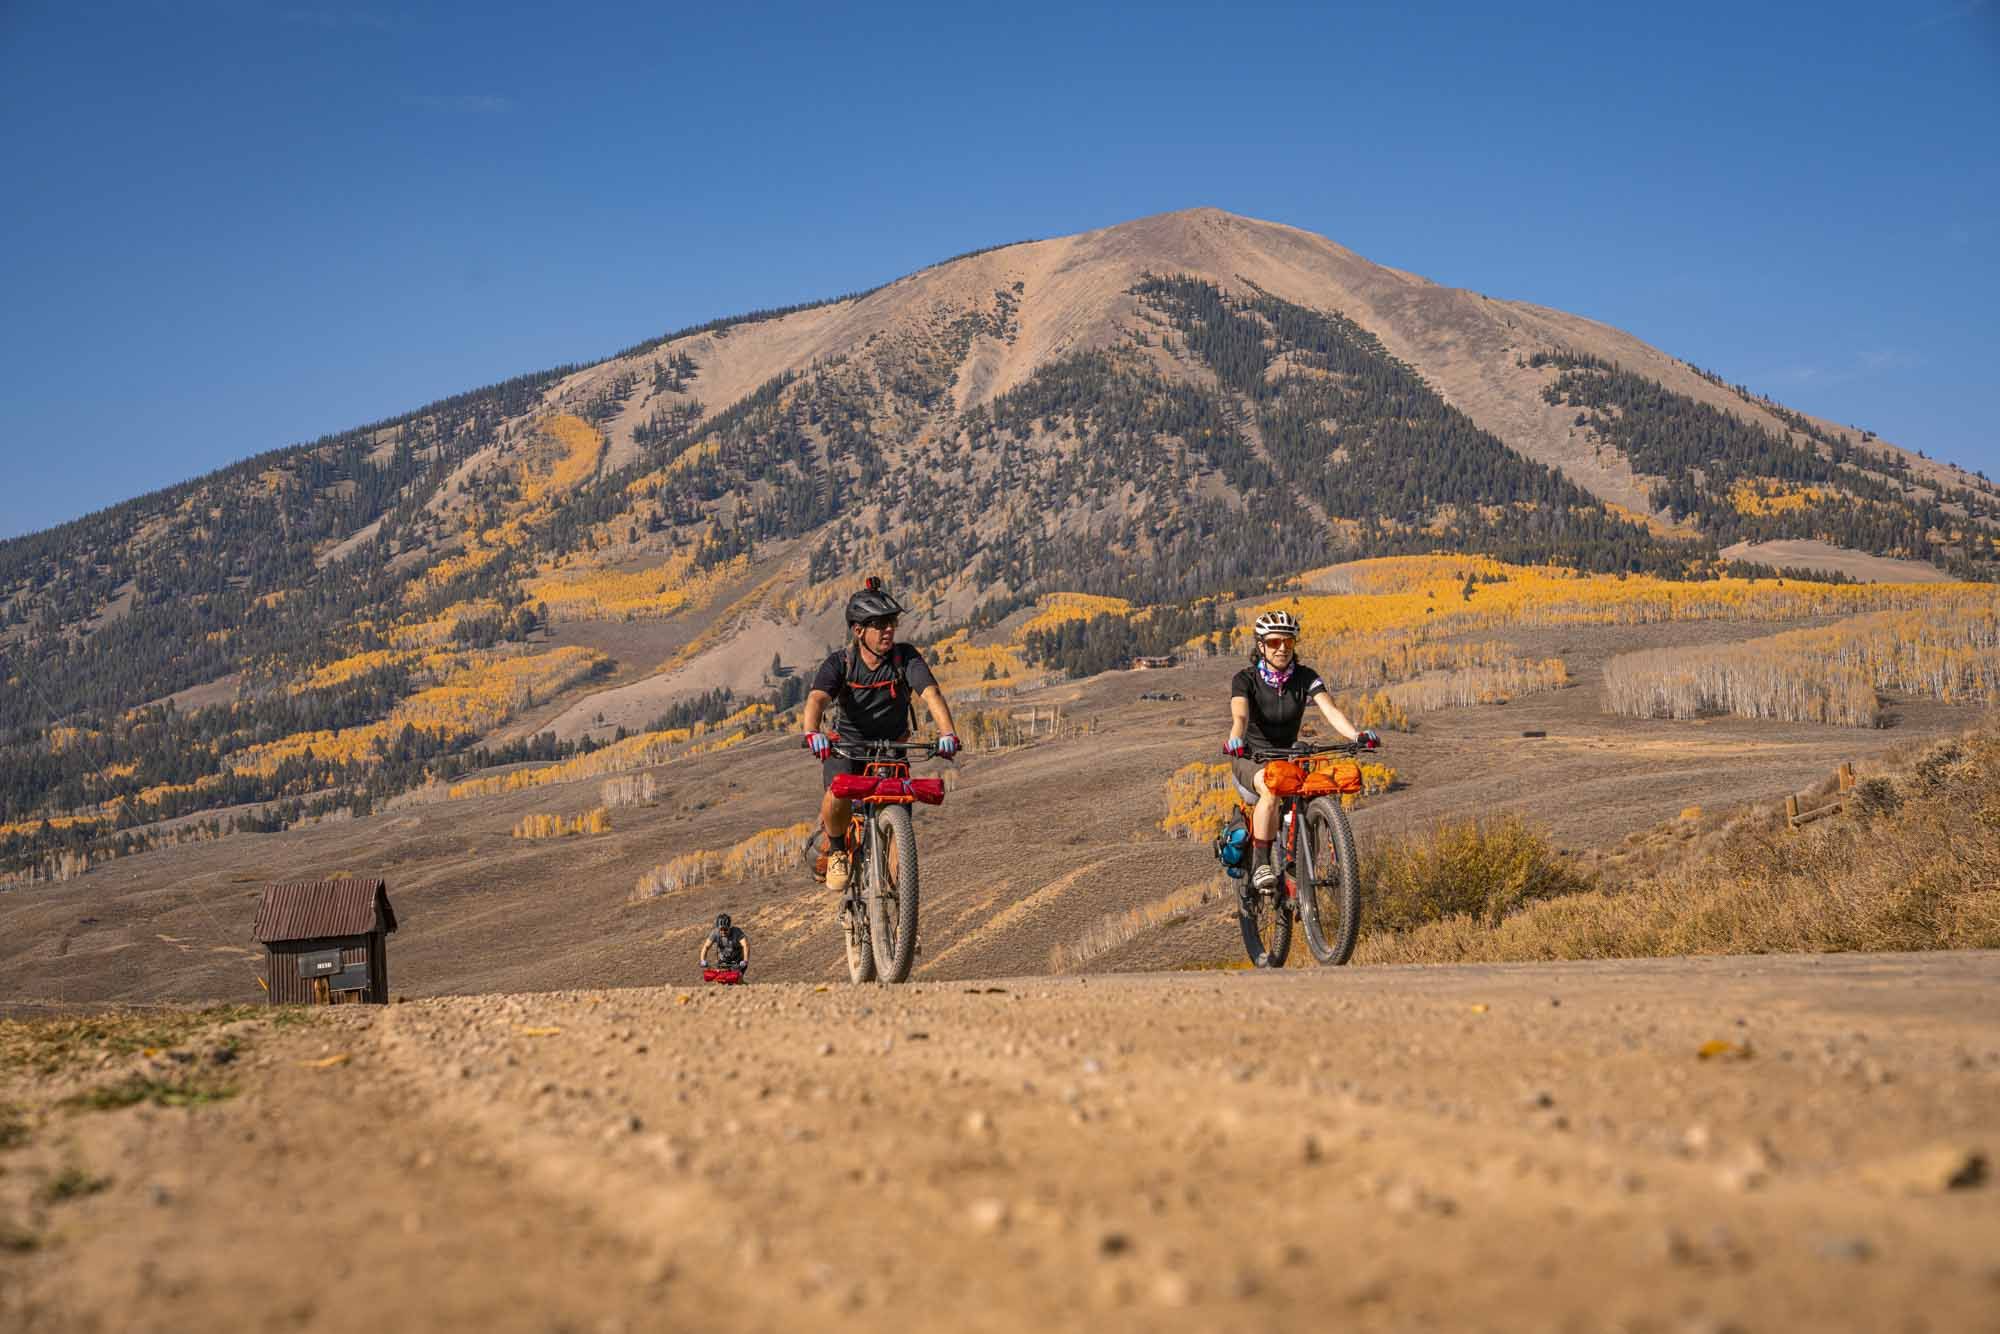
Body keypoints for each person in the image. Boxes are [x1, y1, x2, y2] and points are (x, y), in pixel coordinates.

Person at [801, 578, 960, 892]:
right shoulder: (841, 663)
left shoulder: (905, 658)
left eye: (893, 623)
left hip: (890, 749)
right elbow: (817, 699)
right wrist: (812, 732)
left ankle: (901, 920)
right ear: (859, 630)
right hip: (847, 748)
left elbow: (931, 694)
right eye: (881, 624)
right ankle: (836, 852)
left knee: (899, 841)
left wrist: (948, 733)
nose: (889, 630)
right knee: (837, 793)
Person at [1225, 610, 1379, 894]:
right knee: (1270, 788)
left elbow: (1330, 710)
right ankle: (1260, 864)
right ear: (1261, 646)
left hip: (1287, 758)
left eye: (1288, 642)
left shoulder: (1306, 677)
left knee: (1312, 795)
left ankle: (1298, 870)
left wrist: (1356, 735)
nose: (1282, 648)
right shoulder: (1244, 680)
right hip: (1251, 757)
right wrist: (1235, 739)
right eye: (1274, 643)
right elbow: (1240, 719)